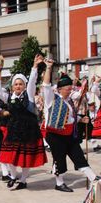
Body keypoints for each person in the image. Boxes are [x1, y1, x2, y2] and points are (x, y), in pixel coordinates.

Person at [42, 59, 100, 192]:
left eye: (71, 88)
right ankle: (59, 183)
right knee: (59, 160)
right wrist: (49, 68)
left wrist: (80, 119)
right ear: (60, 89)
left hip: (69, 134)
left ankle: (94, 179)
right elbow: (46, 85)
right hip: (55, 135)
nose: (70, 91)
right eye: (67, 89)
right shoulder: (52, 99)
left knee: (78, 156)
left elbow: (70, 117)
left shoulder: (69, 101)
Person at [0, 55, 47, 190]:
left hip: (29, 129)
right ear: (12, 86)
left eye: (20, 84)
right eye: (16, 84)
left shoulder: (28, 95)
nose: (18, 86)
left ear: (24, 85)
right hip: (13, 128)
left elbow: (32, 81)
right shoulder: (9, 96)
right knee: (7, 155)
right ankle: (13, 176)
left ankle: (23, 180)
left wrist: (35, 66)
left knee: (26, 157)